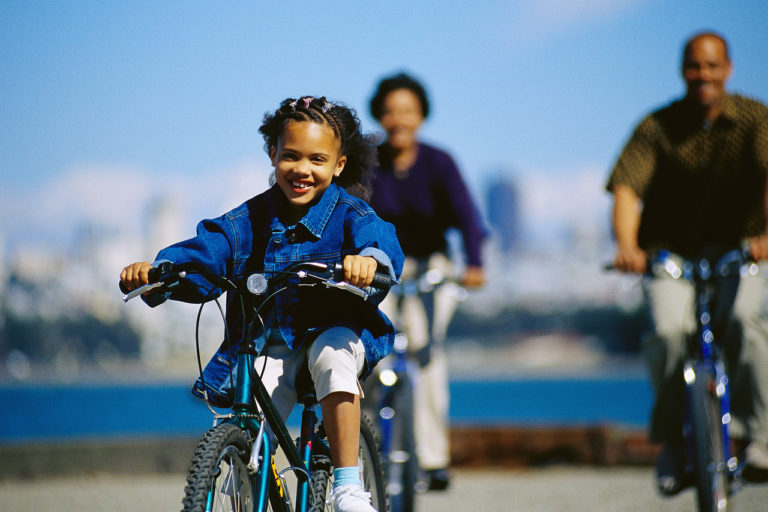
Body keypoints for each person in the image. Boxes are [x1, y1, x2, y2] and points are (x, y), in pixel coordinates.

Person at [120, 96, 404, 512]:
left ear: (339, 165)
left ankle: (347, 485)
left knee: (332, 359)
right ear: (272, 154)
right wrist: (159, 272)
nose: (302, 169)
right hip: (269, 343)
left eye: (317, 160)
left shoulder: (350, 213)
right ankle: (245, 491)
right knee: (248, 428)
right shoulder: (246, 220)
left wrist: (368, 262)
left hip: (334, 331)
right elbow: (207, 252)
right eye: (290, 156)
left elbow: (381, 243)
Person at [606, 31, 768, 494]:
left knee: (744, 321)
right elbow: (625, 190)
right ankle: (673, 444)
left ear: (729, 70)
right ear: (683, 70)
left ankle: (758, 437)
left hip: (741, 249)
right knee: (667, 331)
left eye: (713, 66)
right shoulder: (657, 125)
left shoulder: (756, 119)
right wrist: (627, 246)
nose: (705, 76)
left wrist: (765, 238)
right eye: (696, 66)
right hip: (668, 253)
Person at [366, 72, 487, 490]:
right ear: (379, 115)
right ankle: (368, 447)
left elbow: (469, 217)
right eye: (390, 110)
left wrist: (474, 264)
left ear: (421, 116)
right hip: (379, 268)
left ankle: (433, 459)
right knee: (371, 351)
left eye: (408, 110)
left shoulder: (439, 161)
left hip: (431, 267)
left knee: (425, 354)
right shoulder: (367, 162)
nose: (399, 118)